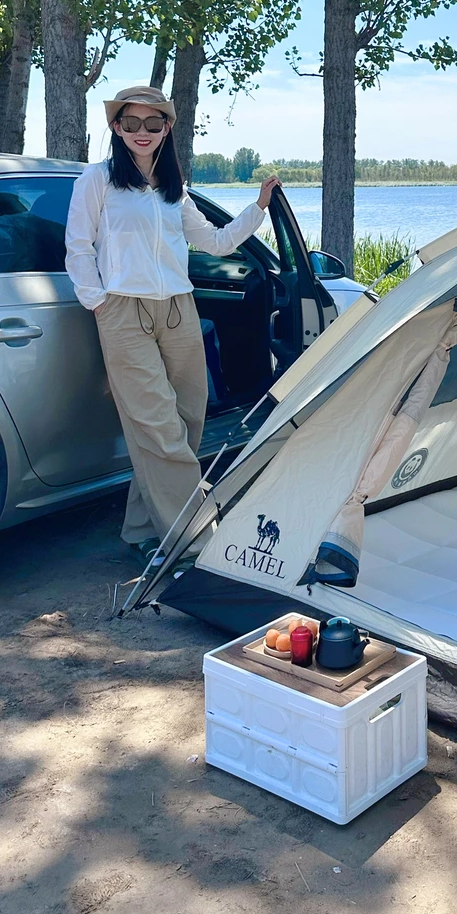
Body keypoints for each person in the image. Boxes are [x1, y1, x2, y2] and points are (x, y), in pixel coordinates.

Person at [65, 85, 279, 562]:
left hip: (179, 308)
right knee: (158, 426)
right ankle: (198, 539)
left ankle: (142, 528)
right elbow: (78, 249)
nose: (143, 132)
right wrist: (100, 303)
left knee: (186, 420)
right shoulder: (96, 180)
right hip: (123, 310)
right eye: (132, 123)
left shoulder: (172, 189)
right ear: (116, 127)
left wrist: (258, 208)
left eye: (153, 123)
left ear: (166, 129)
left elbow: (217, 243)